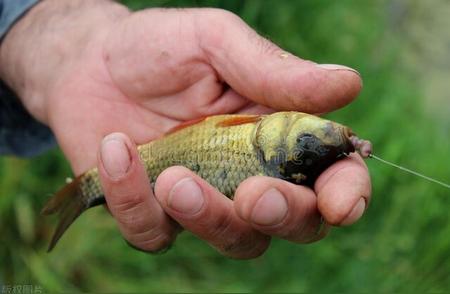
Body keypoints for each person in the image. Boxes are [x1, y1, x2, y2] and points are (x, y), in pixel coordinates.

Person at [0, 0, 371, 259]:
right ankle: (85, 191)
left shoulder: (264, 136)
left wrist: (54, 54)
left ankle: (87, 190)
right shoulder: (262, 129)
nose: (324, 132)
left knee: (219, 201)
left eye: (309, 141)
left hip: (168, 155)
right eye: (315, 136)